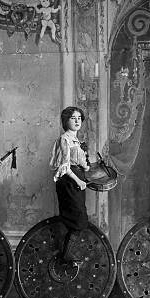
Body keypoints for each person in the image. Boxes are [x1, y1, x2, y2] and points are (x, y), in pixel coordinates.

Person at [49, 106, 91, 264]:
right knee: (75, 217)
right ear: (65, 121)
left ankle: (67, 253)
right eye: (73, 118)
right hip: (69, 181)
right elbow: (64, 166)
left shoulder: (77, 140)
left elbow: (81, 163)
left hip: (77, 180)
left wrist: (87, 166)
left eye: (79, 118)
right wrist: (78, 180)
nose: (77, 121)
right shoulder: (64, 139)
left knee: (79, 217)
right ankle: (65, 256)